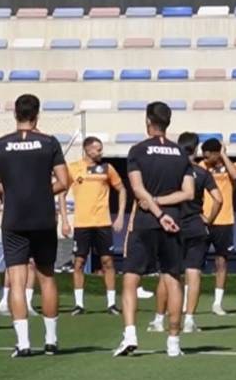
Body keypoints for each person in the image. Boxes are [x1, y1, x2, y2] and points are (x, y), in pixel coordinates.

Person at [0, 94, 72, 358]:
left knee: (17, 281)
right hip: (43, 217)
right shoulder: (49, 142)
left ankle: (23, 343)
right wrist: (41, 192)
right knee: (47, 277)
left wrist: (14, 191)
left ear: (15, 114)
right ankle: (51, 341)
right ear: (37, 114)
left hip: (14, 218)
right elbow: (64, 181)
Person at [113, 102, 195, 358]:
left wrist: (155, 208)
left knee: (130, 278)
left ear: (148, 120)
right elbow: (188, 193)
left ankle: (130, 335)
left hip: (146, 220)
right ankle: (174, 342)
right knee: (172, 279)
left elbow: (138, 189)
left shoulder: (138, 150)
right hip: (173, 221)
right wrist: (164, 208)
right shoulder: (180, 153)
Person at [149, 131, 222, 334]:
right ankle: (189, 320)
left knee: (167, 273)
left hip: (173, 225)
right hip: (196, 226)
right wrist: (209, 219)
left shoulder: (169, 171)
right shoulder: (202, 173)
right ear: (196, 149)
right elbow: (219, 199)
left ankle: (159, 319)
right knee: (194, 272)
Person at [59, 137, 126, 316]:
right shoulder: (74, 168)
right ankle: (79, 304)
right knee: (79, 262)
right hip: (82, 224)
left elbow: (122, 189)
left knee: (108, 262)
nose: (101, 152)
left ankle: (111, 304)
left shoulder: (107, 168)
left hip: (103, 223)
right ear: (88, 150)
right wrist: (65, 221)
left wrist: (120, 216)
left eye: (101, 149)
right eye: (98, 149)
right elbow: (62, 194)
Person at [200, 138, 236, 316]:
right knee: (194, 262)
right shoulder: (201, 167)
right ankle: (187, 301)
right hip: (203, 219)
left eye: (208, 155)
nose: (205, 158)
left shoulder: (234, 166)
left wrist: (223, 155)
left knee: (221, 261)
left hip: (224, 220)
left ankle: (217, 303)